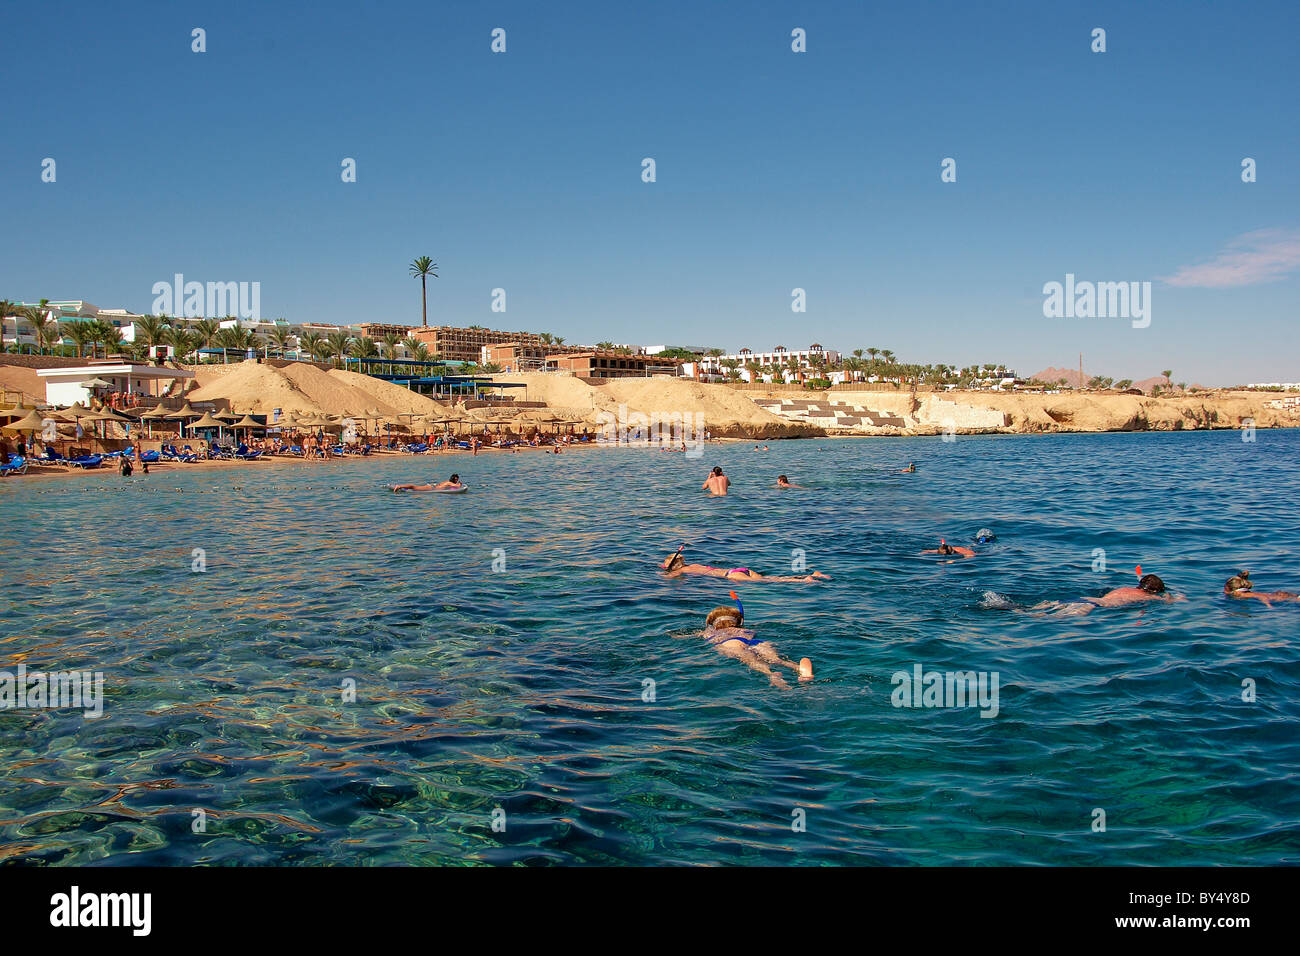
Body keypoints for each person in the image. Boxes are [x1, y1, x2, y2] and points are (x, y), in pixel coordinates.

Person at [703, 593, 813, 689]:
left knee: (753, 662)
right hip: (757, 642)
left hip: (732, 642)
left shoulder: (710, 632)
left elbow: (704, 635)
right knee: (776, 660)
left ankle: (771, 674)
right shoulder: (747, 630)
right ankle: (798, 668)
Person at [661, 547, 829, 582]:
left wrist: (663, 573)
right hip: (738, 570)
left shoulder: (682, 571)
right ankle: (812, 575)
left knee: (770, 581)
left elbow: (668, 579)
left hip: (732, 576)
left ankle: (803, 580)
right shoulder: (694, 565)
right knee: (770, 578)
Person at [1224, 570, 1299, 606]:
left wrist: (1268, 605)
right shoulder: (1247, 593)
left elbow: (1261, 596)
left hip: (1280, 597)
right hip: (1279, 595)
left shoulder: (1242, 594)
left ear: (1229, 588)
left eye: (1225, 588)